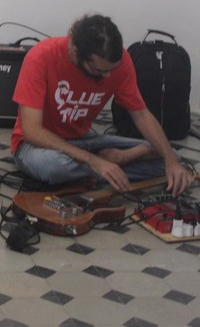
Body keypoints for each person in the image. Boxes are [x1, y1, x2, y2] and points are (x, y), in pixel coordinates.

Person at [11, 14, 194, 196]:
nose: (107, 76)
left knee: (171, 157)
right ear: (76, 51)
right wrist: (94, 160)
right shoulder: (40, 57)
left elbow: (141, 114)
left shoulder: (120, 61)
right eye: (99, 70)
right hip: (37, 147)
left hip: (84, 140)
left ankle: (101, 169)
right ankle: (108, 167)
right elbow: (32, 132)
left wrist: (170, 161)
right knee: (52, 167)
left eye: (111, 70)